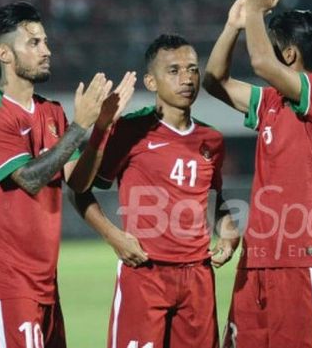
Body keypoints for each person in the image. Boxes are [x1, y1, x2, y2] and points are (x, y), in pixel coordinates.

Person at [0, 0, 135, 348]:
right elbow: (28, 178)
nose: (47, 50)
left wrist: (99, 129)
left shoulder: (51, 112)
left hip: (45, 280)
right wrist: (81, 125)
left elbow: (77, 182)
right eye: (34, 43)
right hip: (6, 282)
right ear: (4, 54)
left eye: (45, 41)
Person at [205, 0, 312, 348]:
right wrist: (233, 25)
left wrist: (256, 12)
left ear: (288, 54)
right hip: (256, 259)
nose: (263, 49)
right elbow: (215, 81)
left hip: (301, 257)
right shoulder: (271, 100)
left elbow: (260, 64)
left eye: (270, 43)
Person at [68, 33, 238, 348]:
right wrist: (114, 236)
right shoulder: (130, 131)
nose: (187, 78)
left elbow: (213, 197)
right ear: (151, 81)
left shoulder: (211, 140)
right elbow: (77, 189)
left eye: (192, 69)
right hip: (145, 273)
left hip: (198, 279)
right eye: (173, 71)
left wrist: (228, 233)